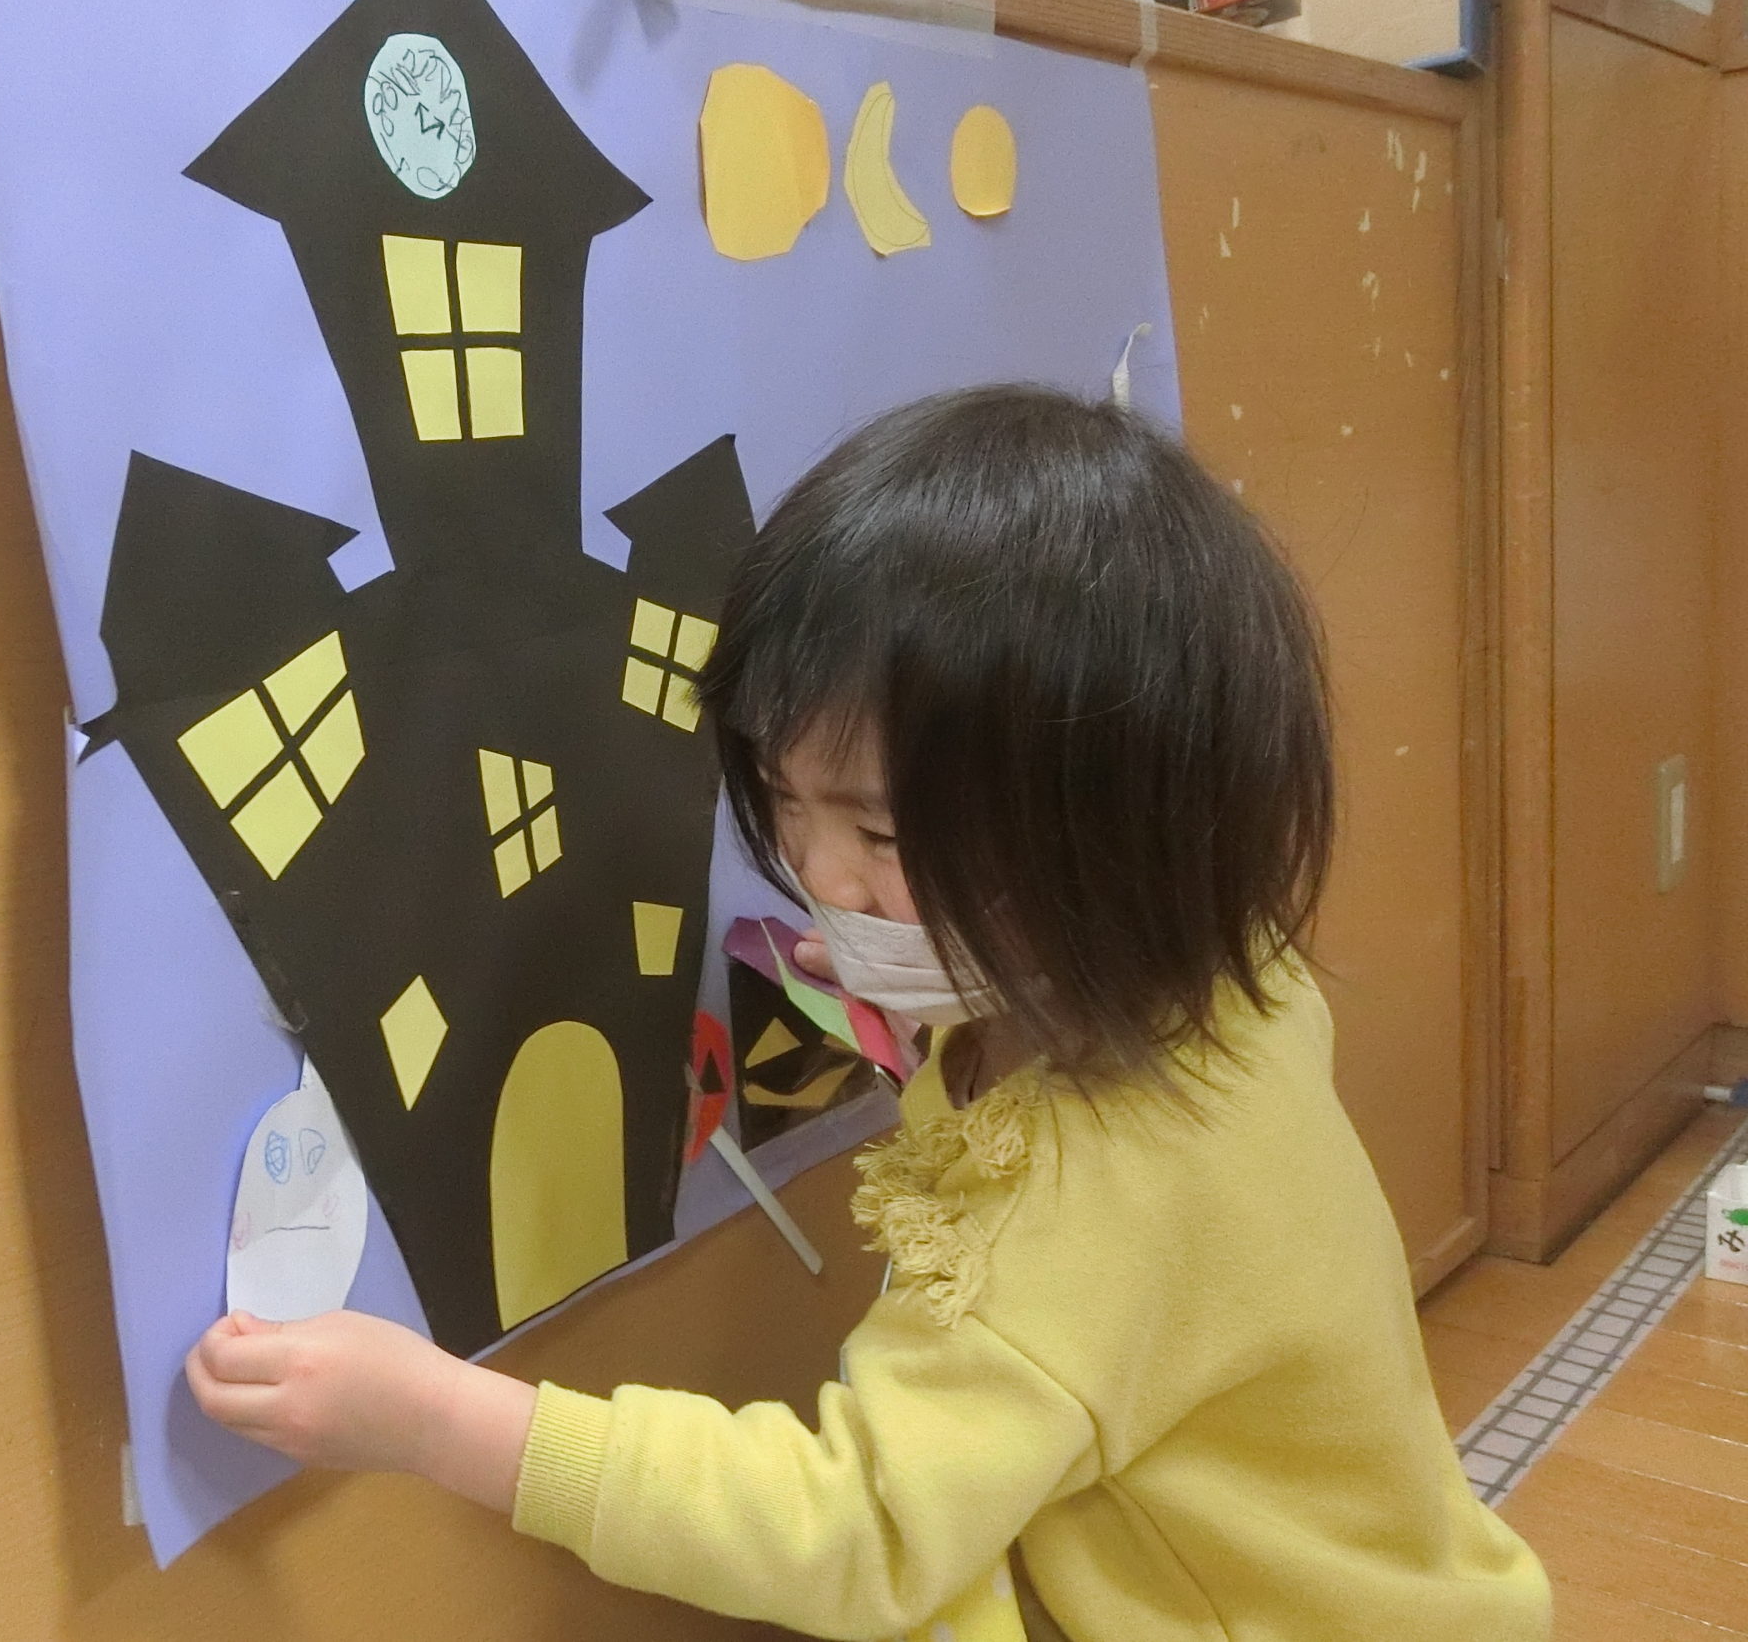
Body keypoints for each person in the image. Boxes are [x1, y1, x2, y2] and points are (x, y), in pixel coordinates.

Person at [184, 384, 1549, 1641]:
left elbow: (859, 1530)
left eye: (883, 835)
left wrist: (439, 1420)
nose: (821, 878)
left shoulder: (1100, 1189)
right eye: (786, 802)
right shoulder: (1217, 971)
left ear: (1117, 829)